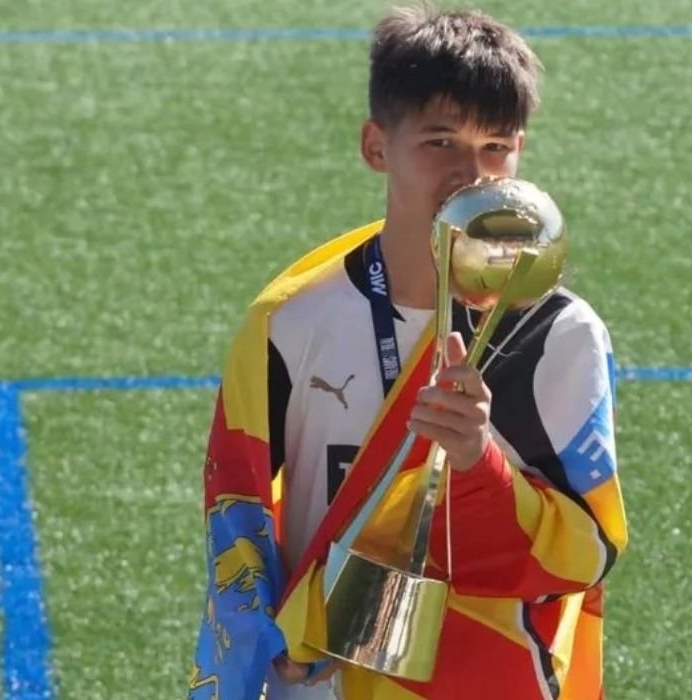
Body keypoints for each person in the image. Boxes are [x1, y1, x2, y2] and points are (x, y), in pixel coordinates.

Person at [187, 5, 628, 699]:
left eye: (495, 147)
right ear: (376, 146)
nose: (470, 175)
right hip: (319, 684)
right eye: (440, 142)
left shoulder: (556, 335)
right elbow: (238, 502)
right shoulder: (291, 320)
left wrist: (475, 463)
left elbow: (586, 553)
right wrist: (271, 633)